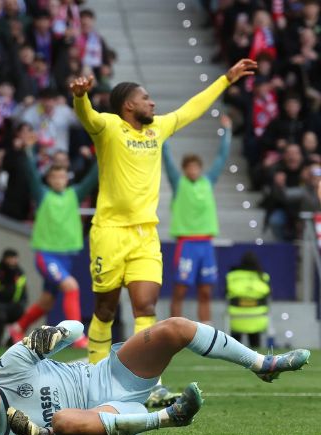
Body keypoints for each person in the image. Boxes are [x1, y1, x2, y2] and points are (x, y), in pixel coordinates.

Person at [68, 59, 258, 369]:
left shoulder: (158, 128)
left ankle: (144, 379)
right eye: (146, 98)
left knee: (146, 307)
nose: (152, 102)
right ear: (129, 105)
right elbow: (87, 117)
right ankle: (94, 372)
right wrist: (80, 97)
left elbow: (192, 109)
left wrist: (226, 79)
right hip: (110, 232)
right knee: (105, 310)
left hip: (145, 234)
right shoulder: (109, 127)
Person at [0, 319, 310, 435]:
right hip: (115, 416)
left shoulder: (9, 365)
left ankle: (262, 363)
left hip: (109, 374)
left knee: (174, 328)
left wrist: (51, 335)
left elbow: (77, 329)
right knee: (65, 421)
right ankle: (169, 417)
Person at [7, 155, 98, 347]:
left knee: (47, 301)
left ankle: (17, 327)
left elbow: (92, 177)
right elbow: (31, 175)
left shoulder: (75, 194)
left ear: (67, 178)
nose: (59, 180)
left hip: (67, 257)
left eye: (62, 177)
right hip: (46, 255)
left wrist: (105, 150)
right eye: (55, 177)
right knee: (71, 286)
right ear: (49, 180)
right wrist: (28, 150)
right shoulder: (42, 195)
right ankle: (76, 336)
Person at [164, 115, 232, 324]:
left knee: (205, 291)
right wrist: (162, 134)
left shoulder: (208, 181)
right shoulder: (178, 183)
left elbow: (221, 157)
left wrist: (227, 131)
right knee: (180, 289)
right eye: (189, 168)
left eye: (196, 167)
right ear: (184, 169)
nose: (193, 171)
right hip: (186, 244)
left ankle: (207, 331)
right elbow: (166, 158)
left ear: (200, 169)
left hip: (206, 244)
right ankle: (174, 329)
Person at [225, 252, 271, 347]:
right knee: (255, 348)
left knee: (234, 347)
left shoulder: (232, 276)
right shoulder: (263, 277)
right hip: (258, 319)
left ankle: (233, 355)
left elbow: (226, 295)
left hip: (235, 319)